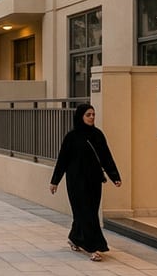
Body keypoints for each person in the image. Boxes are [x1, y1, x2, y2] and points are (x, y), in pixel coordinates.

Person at [50, 104, 122, 261]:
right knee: (85, 212)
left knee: (89, 211)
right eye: (88, 114)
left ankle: (74, 237)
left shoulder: (98, 135)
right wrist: (55, 181)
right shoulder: (72, 137)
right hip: (76, 181)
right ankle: (93, 247)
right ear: (80, 116)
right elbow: (62, 160)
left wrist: (114, 176)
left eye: (93, 115)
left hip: (94, 180)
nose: (91, 117)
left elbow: (106, 157)